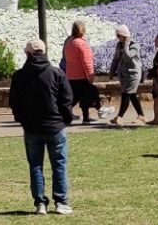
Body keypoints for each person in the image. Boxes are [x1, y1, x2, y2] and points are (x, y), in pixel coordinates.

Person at [10, 38, 75, 214]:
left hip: (32, 128)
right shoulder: (56, 73)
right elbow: (66, 99)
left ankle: (40, 203)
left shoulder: (19, 76)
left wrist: (21, 119)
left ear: (28, 54)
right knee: (59, 164)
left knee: (35, 165)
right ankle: (61, 202)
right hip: (55, 126)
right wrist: (65, 119)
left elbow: (15, 102)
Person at [61, 22, 99, 125]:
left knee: (74, 97)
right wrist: (90, 76)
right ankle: (87, 117)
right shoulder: (83, 44)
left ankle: (67, 116)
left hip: (71, 75)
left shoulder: (69, 43)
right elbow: (87, 62)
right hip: (82, 75)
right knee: (86, 97)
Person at [108, 27, 146, 127]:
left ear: (124, 35)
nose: (117, 38)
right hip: (123, 74)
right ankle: (141, 115)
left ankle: (120, 117)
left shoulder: (135, 46)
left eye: (119, 35)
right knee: (132, 95)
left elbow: (128, 57)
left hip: (133, 74)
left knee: (126, 94)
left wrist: (126, 44)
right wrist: (112, 72)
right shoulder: (119, 45)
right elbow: (116, 59)